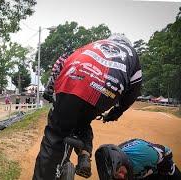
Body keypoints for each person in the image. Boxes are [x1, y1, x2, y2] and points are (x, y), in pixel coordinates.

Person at [33, 34, 142, 179]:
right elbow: (134, 91)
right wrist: (116, 112)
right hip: (104, 92)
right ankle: (84, 155)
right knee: (83, 121)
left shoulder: (93, 45)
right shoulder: (132, 55)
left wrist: (50, 89)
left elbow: (60, 64)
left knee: (55, 135)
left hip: (73, 82)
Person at [95, 139, 181, 180]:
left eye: (120, 171)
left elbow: (168, 153)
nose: (121, 176)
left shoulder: (143, 154)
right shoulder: (110, 169)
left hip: (160, 165)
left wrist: (165, 172)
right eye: (115, 176)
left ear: (123, 161)